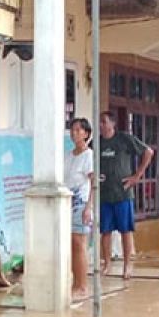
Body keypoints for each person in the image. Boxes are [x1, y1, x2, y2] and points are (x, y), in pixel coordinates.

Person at [97, 111, 154, 280]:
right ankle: (106, 264)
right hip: (104, 194)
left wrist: (137, 175)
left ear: (112, 124)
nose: (101, 125)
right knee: (105, 231)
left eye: (104, 122)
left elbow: (148, 152)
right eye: (99, 122)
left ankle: (127, 265)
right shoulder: (97, 143)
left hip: (123, 194)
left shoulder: (124, 139)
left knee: (125, 230)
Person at [64, 118, 95, 299]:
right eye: (72, 130)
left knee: (79, 243)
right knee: (71, 244)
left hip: (81, 203)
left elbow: (93, 183)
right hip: (68, 203)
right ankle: (75, 282)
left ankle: (82, 285)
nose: (74, 133)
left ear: (86, 134)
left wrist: (88, 207)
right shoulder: (68, 156)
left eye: (78, 130)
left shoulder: (88, 155)